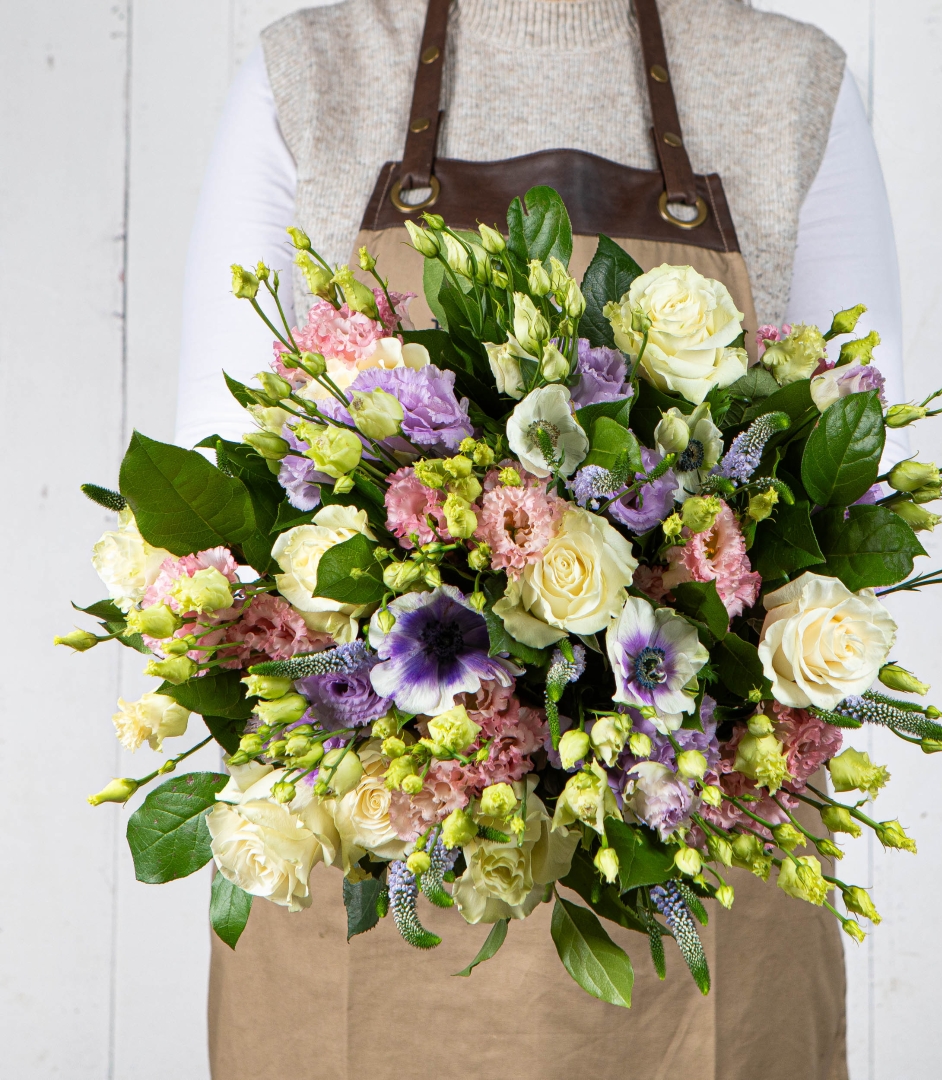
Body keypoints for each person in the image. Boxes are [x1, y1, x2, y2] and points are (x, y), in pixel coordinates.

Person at [176, 3, 905, 1078]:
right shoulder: (314, 72)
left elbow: (853, 500)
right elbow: (218, 504)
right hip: (377, 860)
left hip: (686, 838)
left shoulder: (786, 80)